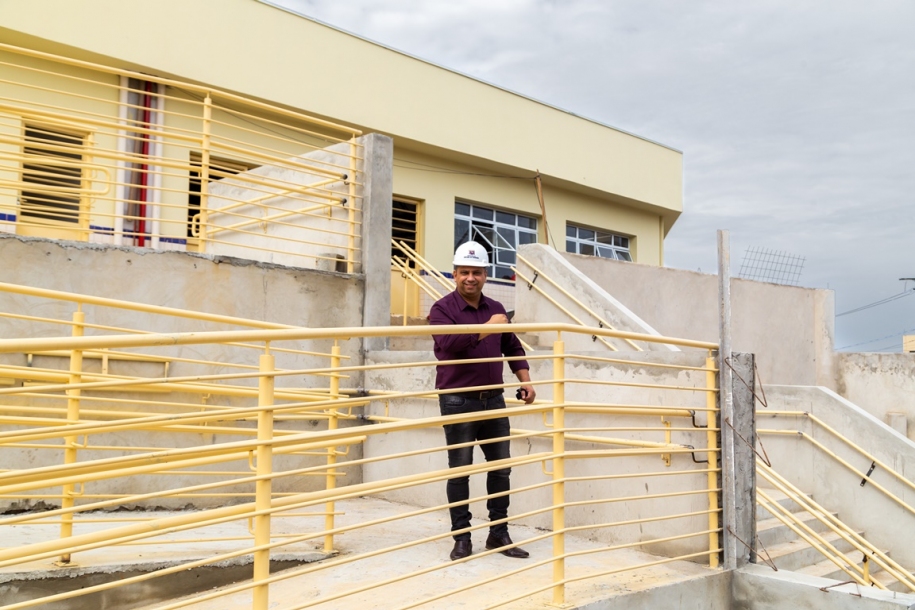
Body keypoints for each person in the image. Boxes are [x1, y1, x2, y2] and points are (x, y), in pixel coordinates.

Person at [429, 241, 537, 561]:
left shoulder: (497, 310)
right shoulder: (442, 309)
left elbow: (513, 348)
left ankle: (498, 533)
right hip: (458, 401)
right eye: (465, 272)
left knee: (501, 469)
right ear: (455, 274)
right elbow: (449, 343)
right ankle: (462, 537)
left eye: (477, 272)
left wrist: (526, 382)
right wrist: (486, 328)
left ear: (486, 275)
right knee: (460, 472)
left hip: (494, 400)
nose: (471, 278)